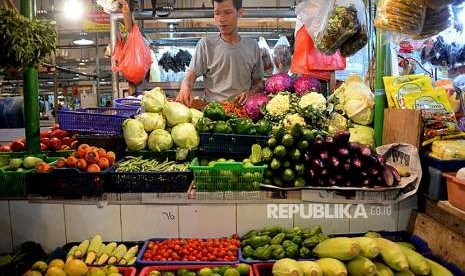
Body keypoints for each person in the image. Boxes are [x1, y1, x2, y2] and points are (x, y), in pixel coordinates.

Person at [176, 0, 264, 107]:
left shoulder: (252, 46)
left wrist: (250, 94)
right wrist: (185, 88)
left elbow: (259, 83)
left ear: (240, 12)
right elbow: (190, 76)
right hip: (212, 111)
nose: (221, 19)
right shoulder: (205, 45)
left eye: (227, 12)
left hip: (242, 113)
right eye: (217, 13)